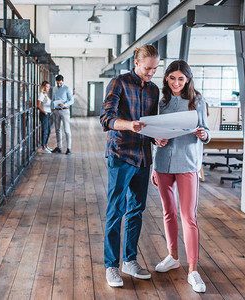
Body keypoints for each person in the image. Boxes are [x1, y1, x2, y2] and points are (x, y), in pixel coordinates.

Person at [99, 45, 160, 287]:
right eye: (148, 68)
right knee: (116, 210)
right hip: (121, 154)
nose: (151, 73)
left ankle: (129, 260)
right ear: (136, 63)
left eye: (155, 69)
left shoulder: (154, 90)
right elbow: (106, 118)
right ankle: (111, 266)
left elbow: (152, 124)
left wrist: (158, 137)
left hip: (144, 157)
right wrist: (128, 125)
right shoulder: (119, 83)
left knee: (136, 210)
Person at [151, 60, 209, 293]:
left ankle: (193, 270)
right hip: (163, 163)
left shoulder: (198, 101)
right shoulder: (161, 102)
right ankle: (172, 256)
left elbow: (206, 132)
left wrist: (204, 134)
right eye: (172, 78)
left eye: (181, 79)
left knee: (188, 216)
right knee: (168, 213)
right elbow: (152, 130)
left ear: (188, 80)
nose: (176, 83)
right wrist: (156, 139)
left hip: (187, 164)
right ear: (166, 78)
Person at [51, 75, 74, 155]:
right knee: (57, 130)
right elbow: (53, 99)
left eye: (60, 83)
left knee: (67, 130)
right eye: (57, 83)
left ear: (63, 81)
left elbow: (72, 101)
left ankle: (69, 148)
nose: (59, 85)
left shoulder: (67, 88)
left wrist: (64, 104)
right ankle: (59, 147)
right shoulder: (54, 89)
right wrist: (53, 108)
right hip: (56, 111)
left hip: (64, 110)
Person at [37, 81, 52, 153]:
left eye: (49, 87)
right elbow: (38, 106)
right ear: (43, 87)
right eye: (47, 87)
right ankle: (43, 147)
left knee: (48, 130)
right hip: (44, 115)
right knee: (45, 131)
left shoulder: (45, 95)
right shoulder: (41, 94)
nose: (48, 88)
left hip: (48, 114)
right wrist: (44, 112)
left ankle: (45, 145)